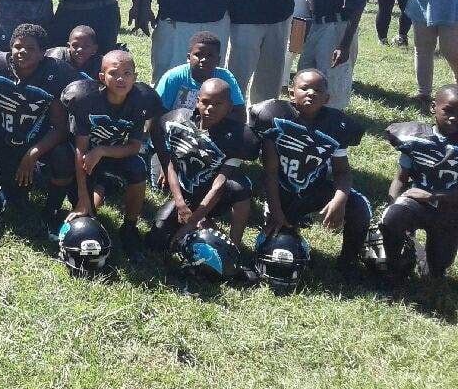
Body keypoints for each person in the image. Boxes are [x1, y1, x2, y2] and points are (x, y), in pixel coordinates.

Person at [250, 69, 370, 270]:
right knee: (281, 244)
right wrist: (276, 210)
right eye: (304, 88)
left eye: (318, 90)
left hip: (315, 188)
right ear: (291, 93)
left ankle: (348, 261)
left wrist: (339, 200)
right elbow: (270, 171)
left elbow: (342, 171)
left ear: (327, 98)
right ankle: (284, 224)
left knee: (359, 207)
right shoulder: (275, 117)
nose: (311, 93)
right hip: (282, 192)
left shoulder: (336, 125)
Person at [0, 24, 77, 239]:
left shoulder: (56, 74)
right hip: (5, 141)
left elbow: (60, 128)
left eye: (30, 48)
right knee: (15, 200)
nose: (22, 51)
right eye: (18, 46)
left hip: (39, 141)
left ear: (43, 53)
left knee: (63, 155)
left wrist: (32, 154)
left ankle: (52, 210)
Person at [63, 50, 165, 261]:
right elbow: (80, 149)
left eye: (127, 73)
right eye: (114, 73)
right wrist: (83, 198)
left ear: (135, 77)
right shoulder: (86, 98)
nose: (121, 79)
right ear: (102, 77)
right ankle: (96, 191)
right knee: (86, 214)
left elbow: (134, 146)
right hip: (85, 160)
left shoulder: (141, 100)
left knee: (137, 167)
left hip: (113, 154)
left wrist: (101, 151)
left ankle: (129, 227)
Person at [149, 78, 258, 250]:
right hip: (186, 191)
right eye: (206, 102)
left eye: (218, 104)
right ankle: (203, 222)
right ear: (197, 101)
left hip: (216, 195)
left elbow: (219, 185)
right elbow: (168, 160)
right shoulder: (176, 120)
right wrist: (180, 204)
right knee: (157, 239)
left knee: (240, 187)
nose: (210, 108)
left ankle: (234, 246)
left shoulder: (238, 136)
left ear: (230, 106)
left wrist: (192, 222)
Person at [381, 84, 458, 280]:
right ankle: (396, 264)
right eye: (448, 110)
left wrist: (433, 195)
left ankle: (424, 257)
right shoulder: (417, 139)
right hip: (417, 204)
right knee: (393, 218)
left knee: (436, 270)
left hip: (451, 210)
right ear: (433, 107)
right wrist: (392, 206)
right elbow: (401, 177)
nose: (454, 117)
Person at [155, 31, 246, 119]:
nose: (204, 60)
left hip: (214, 126)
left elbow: (239, 113)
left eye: (210, 56)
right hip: (176, 125)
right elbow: (156, 113)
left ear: (218, 60)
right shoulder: (173, 77)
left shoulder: (225, 78)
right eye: (198, 55)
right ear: (188, 58)